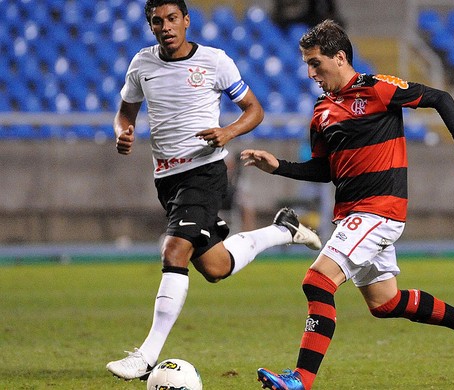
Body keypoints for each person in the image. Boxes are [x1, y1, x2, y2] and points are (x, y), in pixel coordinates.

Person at [241, 20, 454, 390]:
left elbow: (442, 98)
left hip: (379, 210)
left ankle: (301, 380)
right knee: (385, 302)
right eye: (308, 65)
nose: (310, 73)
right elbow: (325, 170)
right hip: (351, 214)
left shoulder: (377, 89)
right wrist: (278, 166)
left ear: (340, 57)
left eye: (316, 63)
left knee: (317, 281)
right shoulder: (321, 111)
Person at [105, 0, 321, 381]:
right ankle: (284, 229)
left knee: (174, 249)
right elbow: (126, 112)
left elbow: (254, 109)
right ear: (150, 26)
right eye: (158, 21)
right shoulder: (142, 65)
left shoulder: (215, 61)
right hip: (167, 179)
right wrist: (122, 131)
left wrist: (227, 132)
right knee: (216, 266)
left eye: (172, 18)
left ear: (186, 21)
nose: (166, 26)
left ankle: (146, 356)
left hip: (204, 171)